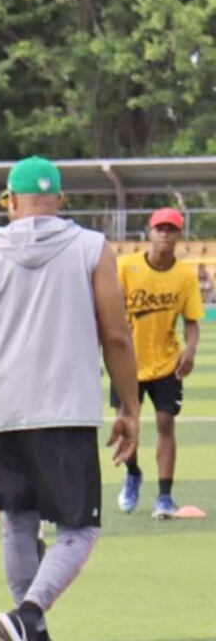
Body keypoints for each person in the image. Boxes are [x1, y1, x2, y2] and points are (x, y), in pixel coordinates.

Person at [0, 156, 139, 641]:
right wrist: (130, 408)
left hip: (1, 413)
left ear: (8, 200)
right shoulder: (92, 248)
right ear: (61, 199)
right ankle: (28, 618)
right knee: (81, 528)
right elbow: (117, 336)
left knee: (19, 522)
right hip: (67, 409)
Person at [114, 207, 203, 520]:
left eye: (171, 229)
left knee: (166, 425)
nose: (165, 234)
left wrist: (190, 350)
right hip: (127, 363)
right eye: (160, 228)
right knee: (127, 428)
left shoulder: (185, 275)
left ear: (179, 235)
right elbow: (108, 312)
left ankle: (164, 496)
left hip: (166, 363)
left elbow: (192, 321)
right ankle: (134, 473)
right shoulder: (126, 267)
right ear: (149, 232)